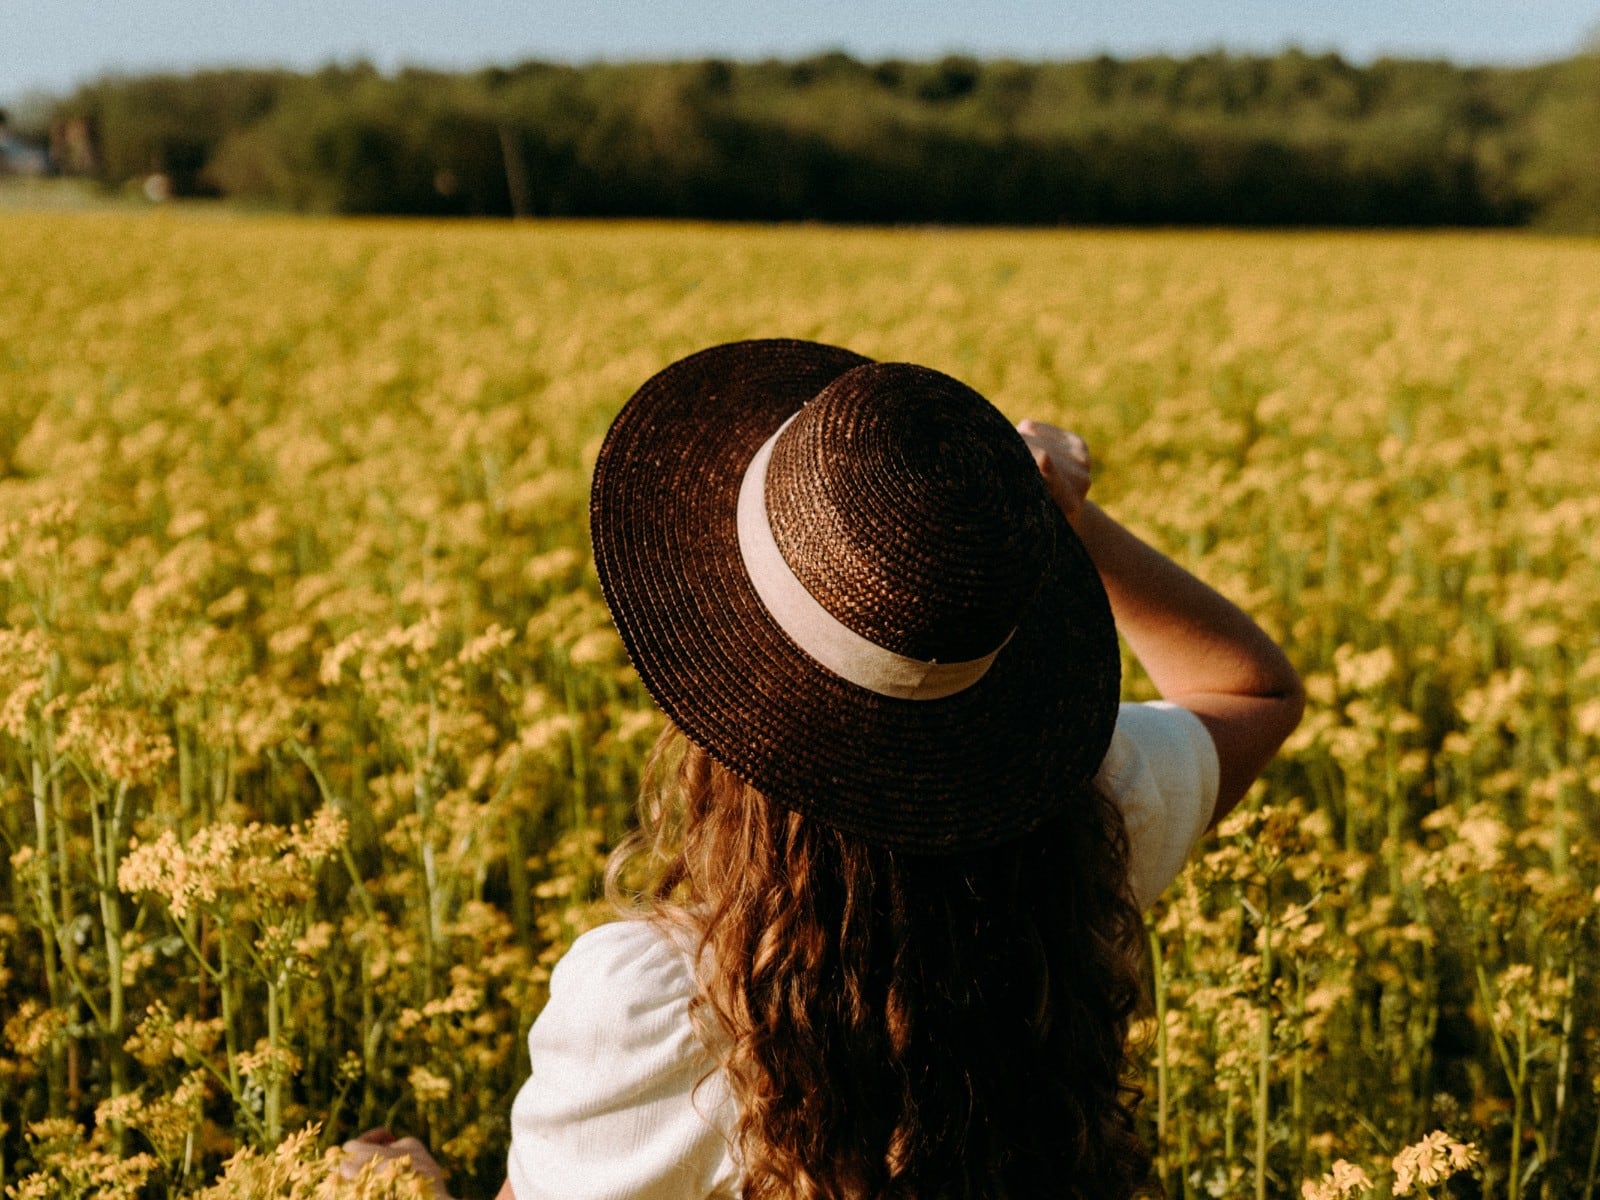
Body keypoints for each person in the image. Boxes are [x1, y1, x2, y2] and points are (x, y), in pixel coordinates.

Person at [341, 339, 1304, 1200]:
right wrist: (1066, 522)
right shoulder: (1080, 830)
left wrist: (402, 1189)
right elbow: (1252, 690)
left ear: (720, 686)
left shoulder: (655, 1006)